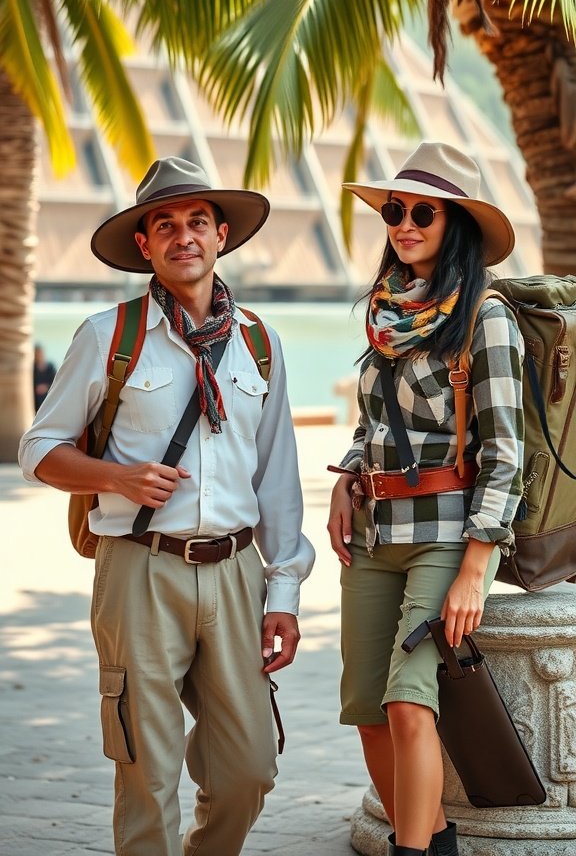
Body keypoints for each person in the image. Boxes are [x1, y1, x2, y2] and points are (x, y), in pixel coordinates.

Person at [19, 156, 315, 856]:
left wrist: (286, 594)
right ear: (145, 246)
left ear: (220, 237)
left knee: (248, 769)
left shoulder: (259, 346)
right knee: (146, 775)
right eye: (165, 225)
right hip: (139, 573)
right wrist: (116, 477)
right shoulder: (108, 336)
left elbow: (278, 483)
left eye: (197, 223)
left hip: (238, 574)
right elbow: (38, 449)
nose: (184, 236)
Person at [327, 142, 523, 856]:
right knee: (368, 713)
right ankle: (436, 843)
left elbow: (507, 453)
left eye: (421, 213)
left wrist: (477, 564)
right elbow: (373, 425)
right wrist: (349, 478)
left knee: (411, 703)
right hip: (374, 537)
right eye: (393, 211)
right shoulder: (385, 314)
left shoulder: (485, 318)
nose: (402, 224)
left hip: (445, 534)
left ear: (457, 224)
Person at [33, 343, 56, 411]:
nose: (39, 355)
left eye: (40, 353)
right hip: (36, 401)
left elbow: (56, 383)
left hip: (48, 399)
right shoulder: (32, 368)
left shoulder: (50, 367)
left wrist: (46, 387)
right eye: (37, 354)